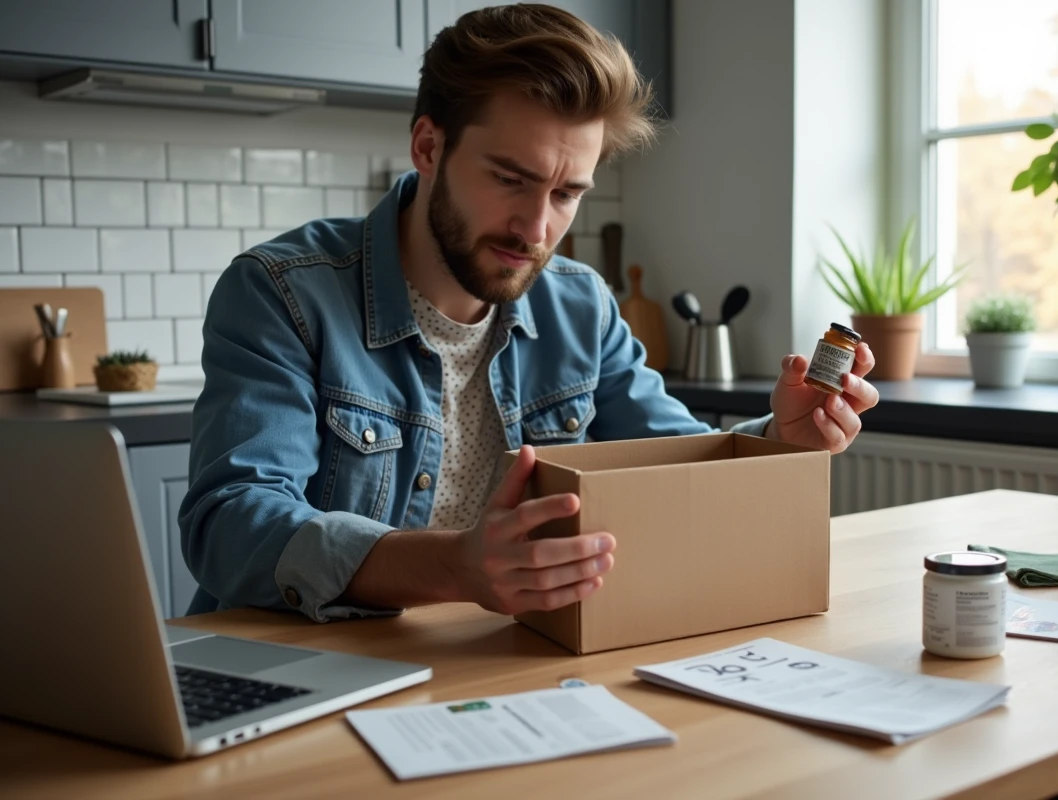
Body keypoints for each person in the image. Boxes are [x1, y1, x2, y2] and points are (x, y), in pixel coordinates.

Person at [178, 4, 879, 624]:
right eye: (511, 180)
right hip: (309, 668)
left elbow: (676, 469)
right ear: (428, 146)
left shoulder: (580, 304)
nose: (537, 228)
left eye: (568, 193)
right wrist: (454, 566)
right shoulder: (282, 293)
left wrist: (783, 440)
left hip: (499, 670)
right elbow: (230, 527)